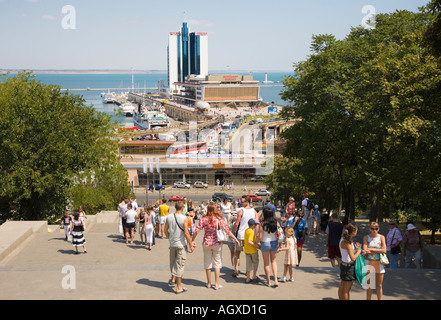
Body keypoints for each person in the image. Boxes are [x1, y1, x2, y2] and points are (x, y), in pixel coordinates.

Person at [192, 204, 240, 290]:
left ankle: (209, 283)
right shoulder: (219, 219)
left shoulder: (203, 219)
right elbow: (226, 230)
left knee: (208, 263)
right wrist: (235, 239)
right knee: (217, 263)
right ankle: (217, 284)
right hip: (217, 243)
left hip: (206, 243)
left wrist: (192, 240)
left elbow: (196, 230)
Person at [164, 201, 196, 294]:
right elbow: (186, 233)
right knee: (180, 265)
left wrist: (169, 237)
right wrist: (190, 244)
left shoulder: (169, 217)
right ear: (182, 209)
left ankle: (173, 279)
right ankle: (179, 287)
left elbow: (165, 229)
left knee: (172, 263)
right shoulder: (184, 218)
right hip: (181, 244)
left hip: (172, 244)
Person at [232, 195, 260, 278]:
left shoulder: (241, 211)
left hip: (241, 234)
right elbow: (257, 222)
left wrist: (232, 232)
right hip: (250, 235)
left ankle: (236, 269)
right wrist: (256, 234)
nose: (241, 203)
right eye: (241, 201)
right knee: (250, 254)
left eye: (242, 201)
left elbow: (237, 223)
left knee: (237, 253)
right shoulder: (254, 211)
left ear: (247, 202)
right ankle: (248, 272)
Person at [338, 223, 363, 300]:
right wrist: (359, 251)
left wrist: (356, 250)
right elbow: (353, 258)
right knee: (346, 290)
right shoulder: (347, 242)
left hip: (344, 265)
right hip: (348, 267)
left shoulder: (344, 239)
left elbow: (348, 252)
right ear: (353, 231)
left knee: (342, 286)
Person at [363, 222, 387, 300]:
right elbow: (365, 250)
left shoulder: (381, 237)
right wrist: (378, 250)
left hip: (379, 262)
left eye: (376, 228)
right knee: (369, 285)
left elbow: (384, 250)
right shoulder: (366, 237)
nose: (374, 230)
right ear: (370, 229)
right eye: (372, 229)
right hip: (368, 262)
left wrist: (372, 249)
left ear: (378, 229)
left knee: (379, 285)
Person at [258, 206, 282, 287]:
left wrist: (256, 242)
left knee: (266, 263)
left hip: (265, 243)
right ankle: (275, 279)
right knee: (274, 261)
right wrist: (280, 244)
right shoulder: (276, 222)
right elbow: (280, 233)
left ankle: (268, 282)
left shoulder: (262, 223)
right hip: (274, 242)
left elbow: (260, 236)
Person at [244, 219, 260, 283]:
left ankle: (247, 278)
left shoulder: (246, 230)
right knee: (255, 263)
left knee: (248, 264)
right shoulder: (251, 232)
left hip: (247, 250)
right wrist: (256, 245)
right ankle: (254, 275)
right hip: (253, 250)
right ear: (253, 226)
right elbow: (250, 241)